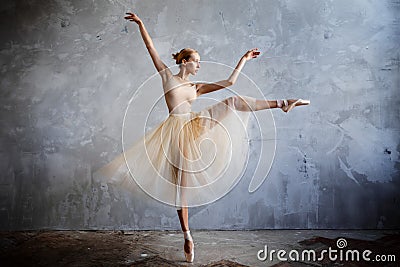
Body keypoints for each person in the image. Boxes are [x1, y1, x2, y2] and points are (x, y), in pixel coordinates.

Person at [95, 11, 310, 263]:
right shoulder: (167, 76)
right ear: (184, 61)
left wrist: (243, 59)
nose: (199, 65)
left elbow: (229, 81)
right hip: (175, 133)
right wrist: (142, 24)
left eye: (199, 61)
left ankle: (283, 103)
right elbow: (150, 47)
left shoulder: (196, 87)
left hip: (195, 124)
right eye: (196, 61)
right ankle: (187, 236)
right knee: (181, 190)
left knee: (233, 101)